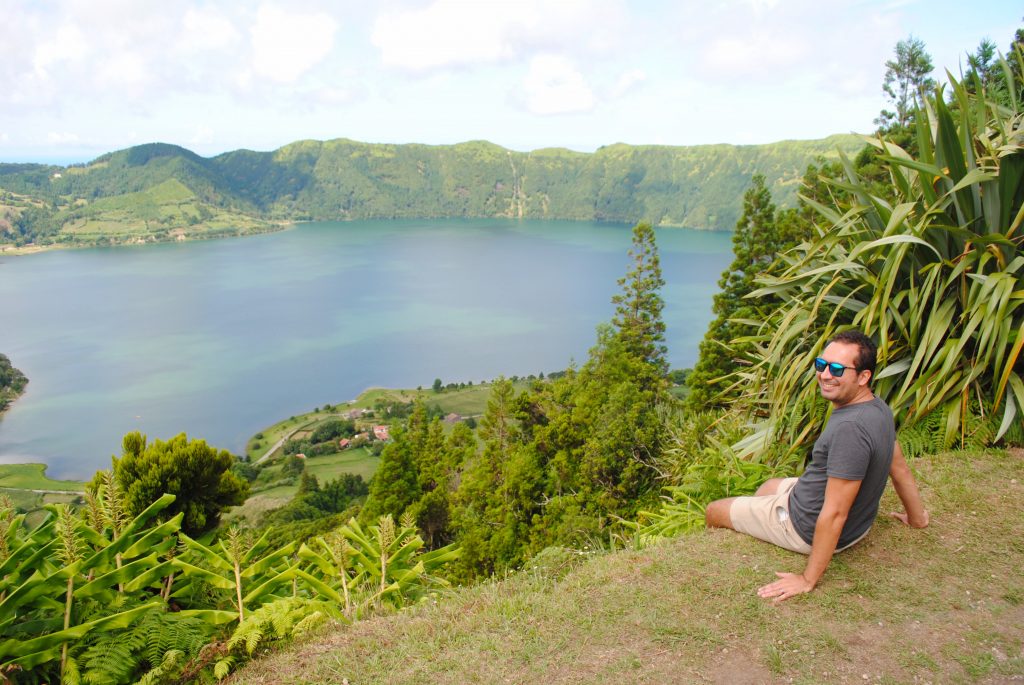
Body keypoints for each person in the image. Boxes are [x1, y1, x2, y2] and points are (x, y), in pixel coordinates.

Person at [704, 330, 928, 603]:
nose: (824, 375)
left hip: (804, 528)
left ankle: (743, 530)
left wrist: (807, 579)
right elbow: (900, 467)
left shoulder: (850, 429)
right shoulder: (878, 408)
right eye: (821, 365)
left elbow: (835, 514)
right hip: (856, 524)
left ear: (863, 377)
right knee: (768, 487)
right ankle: (762, 516)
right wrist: (917, 519)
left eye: (837, 369)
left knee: (715, 510)